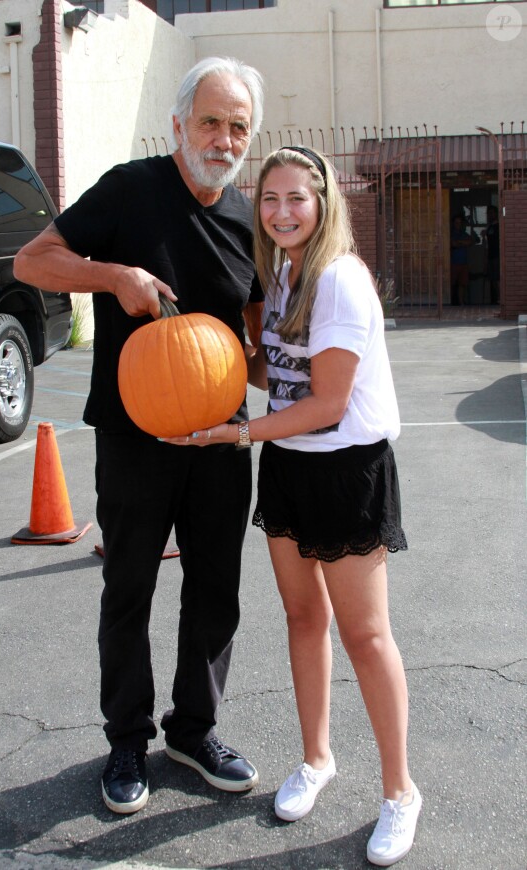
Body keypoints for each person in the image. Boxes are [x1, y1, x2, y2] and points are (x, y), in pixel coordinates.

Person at [13, 56, 265, 814]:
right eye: (212, 122)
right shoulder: (131, 188)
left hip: (221, 438)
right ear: (180, 124)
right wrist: (113, 275)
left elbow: (254, 335)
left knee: (215, 588)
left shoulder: (247, 218)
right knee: (131, 588)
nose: (224, 139)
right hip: (133, 436)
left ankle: (194, 729)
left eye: (239, 127)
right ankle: (127, 740)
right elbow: (35, 261)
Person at [163, 145, 421, 867]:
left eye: (295, 199)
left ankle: (400, 793)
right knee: (304, 618)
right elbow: (273, 372)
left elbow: (328, 403)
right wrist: (193, 345)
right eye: (268, 199)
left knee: (368, 638)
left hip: (345, 470)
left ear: (323, 202)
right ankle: (316, 759)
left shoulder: (338, 278)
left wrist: (233, 430)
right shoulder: (281, 275)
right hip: (287, 466)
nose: (279, 212)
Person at [450, 213, 472, 306]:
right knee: (451, 284)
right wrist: (462, 243)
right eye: (456, 223)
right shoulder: (450, 233)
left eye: (460, 223)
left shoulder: (464, 233)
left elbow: (470, 242)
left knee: (462, 284)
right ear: (453, 223)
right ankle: (450, 302)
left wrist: (459, 242)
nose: (458, 225)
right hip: (452, 262)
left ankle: (461, 302)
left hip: (463, 262)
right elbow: (452, 244)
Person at [482, 205, 500, 304]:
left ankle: (501, 298)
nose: (490, 215)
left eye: (492, 213)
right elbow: (486, 244)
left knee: (498, 279)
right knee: (493, 279)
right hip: (490, 256)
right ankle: (497, 298)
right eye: (489, 213)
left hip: (497, 256)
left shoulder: (499, 226)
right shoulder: (488, 227)